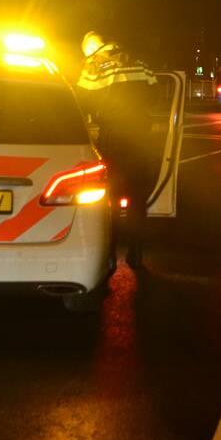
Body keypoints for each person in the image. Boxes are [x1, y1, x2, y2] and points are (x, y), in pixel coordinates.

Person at [77, 31, 157, 268]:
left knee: (107, 197)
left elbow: (83, 99)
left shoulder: (94, 64)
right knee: (138, 197)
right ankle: (136, 254)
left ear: (90, 49)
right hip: (140, 135)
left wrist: (95, 116)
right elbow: (154, 92)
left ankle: (108, 255)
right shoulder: (138, 59)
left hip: (113, 137)